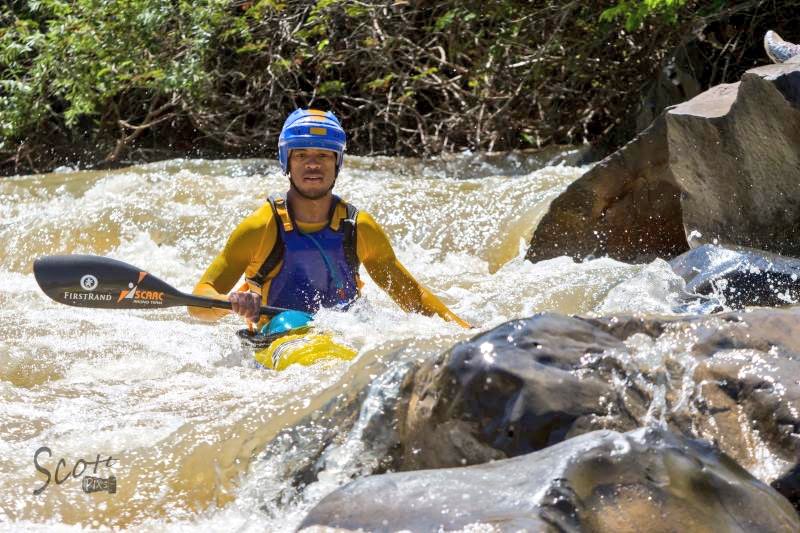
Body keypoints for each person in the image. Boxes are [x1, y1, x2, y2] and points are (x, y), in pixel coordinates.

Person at [189, 108, 470, 330]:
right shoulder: (260, 227)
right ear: (287, 162)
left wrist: (462, 331)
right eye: (301, 155)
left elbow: (413, 298)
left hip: (345, 333)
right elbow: (199, 300)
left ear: (337, 162)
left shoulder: (359, 228)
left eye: (324, 155)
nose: (313, 164)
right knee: (293, 323)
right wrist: (230, 302)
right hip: (277, 333)